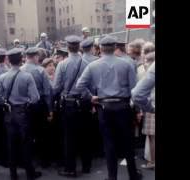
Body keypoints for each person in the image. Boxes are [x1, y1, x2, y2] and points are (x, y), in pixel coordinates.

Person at [76, 35, 142, 180]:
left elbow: (79, 86)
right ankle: (133, 175)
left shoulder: (93, 65)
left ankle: (112, 177)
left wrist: (91, 97)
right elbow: (134, 90)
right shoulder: (127, 64)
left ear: (100, 49)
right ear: (115, 48)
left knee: (109, 143)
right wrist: (137, 110)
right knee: (128, 143)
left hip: (104, 108)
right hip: (124, 107)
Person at [0, 48, 42, 180]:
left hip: (9, 113)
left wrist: (7, 101)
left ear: (8, 60)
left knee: (11, 144)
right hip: (23, 113)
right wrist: (25, 101)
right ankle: (30, 173)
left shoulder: (2, 77)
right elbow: (35, 98)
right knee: (26, 143)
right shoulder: (27, 76)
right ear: (21, 59)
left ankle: (13, 174)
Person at [53, 35, 93, 177]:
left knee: (69, 137)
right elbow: (91, 85)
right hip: (84, 103)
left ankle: (70, 168)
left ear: (68, 47)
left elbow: (56, 87)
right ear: (79, 47)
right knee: (85, 135)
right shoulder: (86, 63)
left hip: (69, 104)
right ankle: (87, 166)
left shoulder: (62, 65)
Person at [20, 47, 53, 168]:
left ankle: (30, 161)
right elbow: (47, 92)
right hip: (40, 106)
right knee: (42, 134)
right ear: (36, 57)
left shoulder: (20, 70)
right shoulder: (40, 70)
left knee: (28, 134)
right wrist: (50, 110)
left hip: (25, 107)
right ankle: (44, 161)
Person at [134, 52, 155, 169]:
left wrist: (144, 108)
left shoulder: (149, 73)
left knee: (152, 137)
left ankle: (152, 162)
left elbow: (137, 94)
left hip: (152, 106)